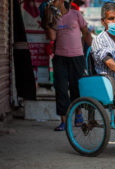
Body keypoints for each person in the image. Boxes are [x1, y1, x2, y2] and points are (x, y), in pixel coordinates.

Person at [41, 0, 92, 131]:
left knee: (75, 87)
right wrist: (48, 19)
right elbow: (52, 37)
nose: (52, 2)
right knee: (61, 88)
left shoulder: (76, 15)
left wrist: (93, 49)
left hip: (77, 57)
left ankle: (78, 114)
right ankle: (64, 120)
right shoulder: (53, 17)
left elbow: (85, 32)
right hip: (60, 58)